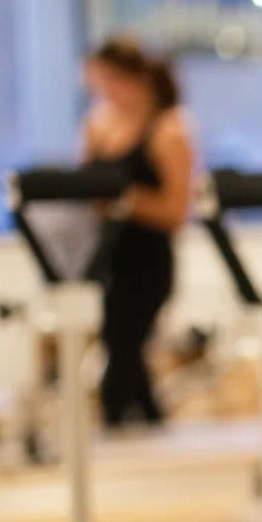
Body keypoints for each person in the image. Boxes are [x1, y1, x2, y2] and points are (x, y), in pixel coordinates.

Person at [79, 38, 197, 429]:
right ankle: (149, 425)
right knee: (124, 348)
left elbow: (177, 210)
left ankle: (116, 426)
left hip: (149, 258)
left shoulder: (168, 129)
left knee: (123, 345)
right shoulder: (99, 124)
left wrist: (127, 201)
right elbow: (86, 190)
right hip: (108, 254)